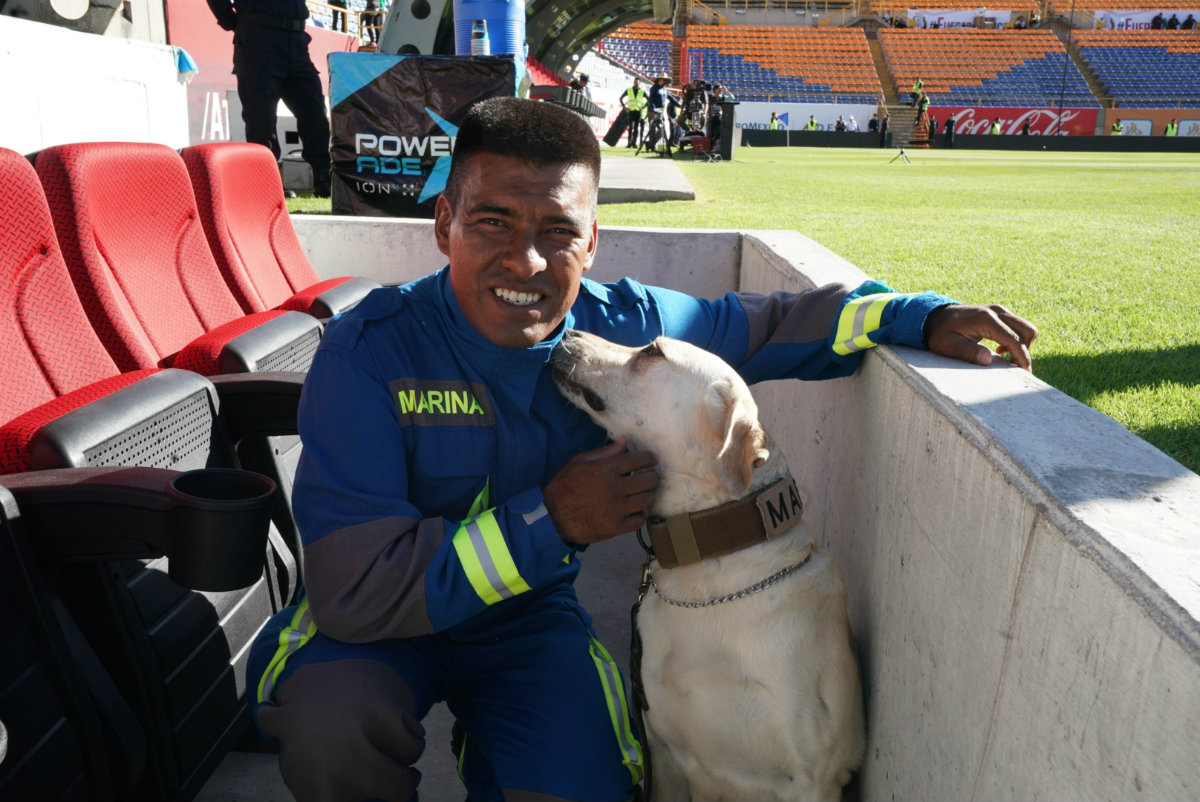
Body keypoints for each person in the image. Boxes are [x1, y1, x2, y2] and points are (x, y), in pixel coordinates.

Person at [244, 97, 1036, 802]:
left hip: (523, 624)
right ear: (444, 221)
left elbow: (777, 325)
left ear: (592, 240)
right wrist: (548, 521)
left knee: (589, 782)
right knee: (331, 725)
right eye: (492, 223)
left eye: (558, 232)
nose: (526, 261)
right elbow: (355, 592)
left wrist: (920, 317)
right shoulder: (367, 352)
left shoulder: (621, 333)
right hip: (380, 631)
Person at [206, 0, 332, 197]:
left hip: (296, 39)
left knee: (315, 112)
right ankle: (267, 185)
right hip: (258, 38)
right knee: (261, 119)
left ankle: (324, 179)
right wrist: (231, 21)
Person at [620, 77, 648, 148]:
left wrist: (644, 107)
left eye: (637, 82)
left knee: (636, 128)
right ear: (633, 82)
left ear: (639, 83)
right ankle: (629, 143)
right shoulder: (628, 90)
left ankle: (634, 143)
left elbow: (649, 100)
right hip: (631, 111)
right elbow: (620, 98)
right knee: (630, 128)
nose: (636, 83)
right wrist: (624, 106)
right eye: (635, 82)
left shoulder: (642, 91)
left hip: (638, 112)